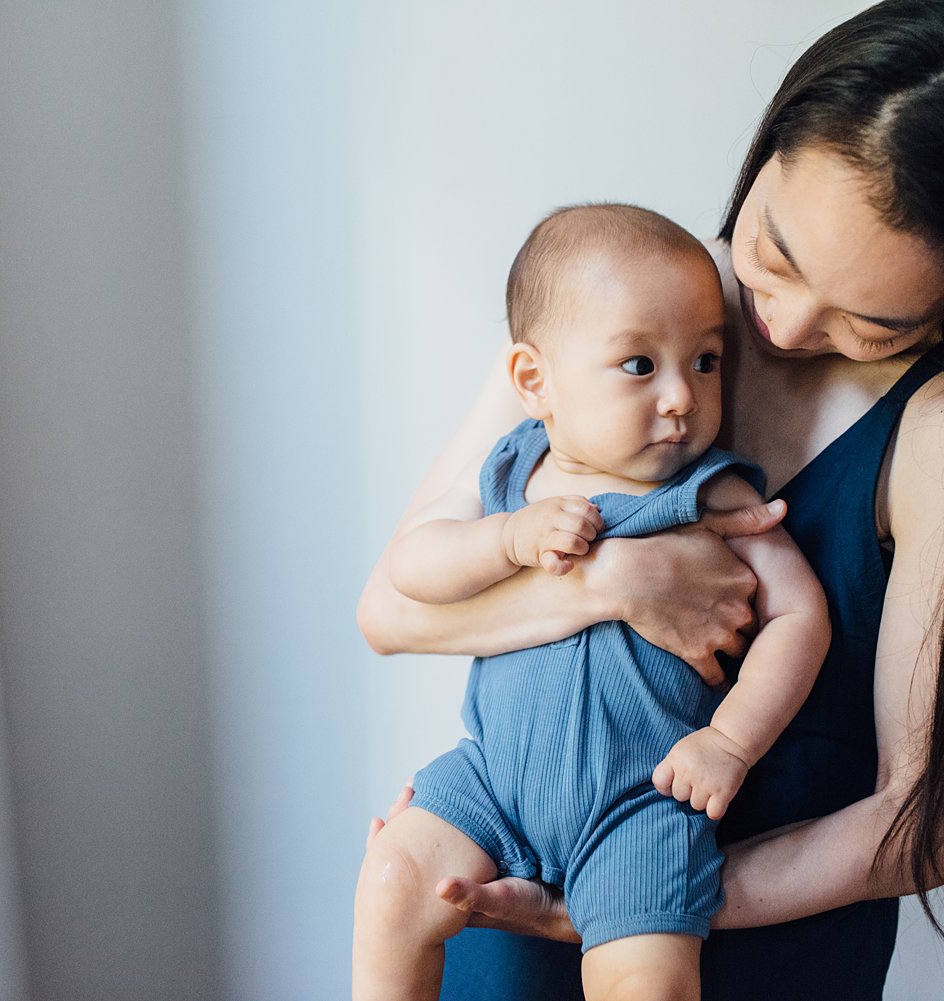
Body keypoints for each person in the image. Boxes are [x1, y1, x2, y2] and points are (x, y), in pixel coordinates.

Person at [356, 0, 944, 997]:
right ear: (773, 144)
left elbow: (924, 824)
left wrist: (637, 898)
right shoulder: (631, 291)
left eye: (871, 319)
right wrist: (616, 581)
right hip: (502, 923)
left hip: (731, 945)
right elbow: (389, 609)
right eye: (775, 248)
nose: (777, 317)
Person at [352, 204, 831, 1001]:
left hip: (638, 805)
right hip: (494, 780)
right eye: (640, 365)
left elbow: (799, 615)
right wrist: (505, 540)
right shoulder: (511, 475)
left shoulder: (711, 489)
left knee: (645, 981)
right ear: (534, 381)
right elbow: (412, 569)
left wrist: (731, 743)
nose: (682, 395)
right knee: (394, 874)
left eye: (706, 360)